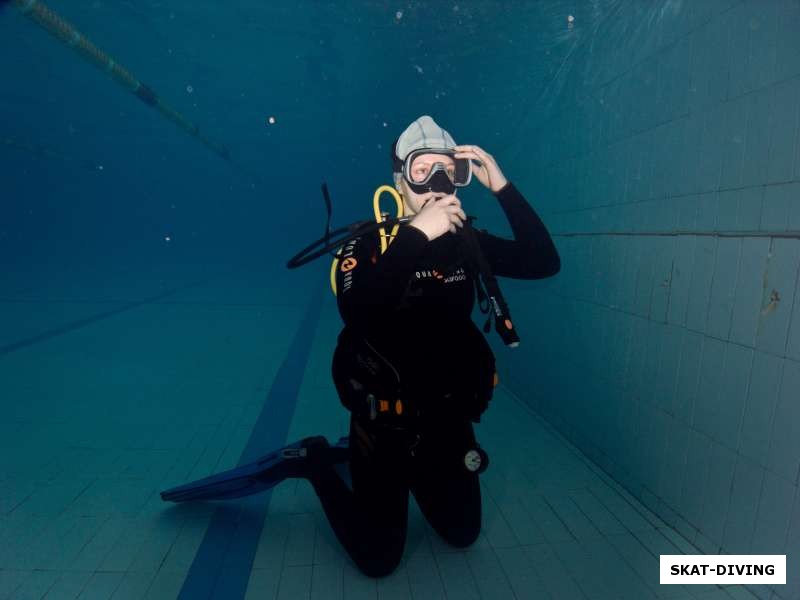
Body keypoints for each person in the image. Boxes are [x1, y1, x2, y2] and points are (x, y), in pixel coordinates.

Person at [161, 115, 560, 578]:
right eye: (421, 169)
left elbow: (543, 262)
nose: (435, 182)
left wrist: (502, 187)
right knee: (377, 560)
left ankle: (408, 477)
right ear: (399, 180)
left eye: (447, 170)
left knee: (463, 534)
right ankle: (314, 463)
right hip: (383, 425)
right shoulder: (368, 246)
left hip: (446, 423)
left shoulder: (467, 243)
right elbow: (362, 311)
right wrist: (417, 233)